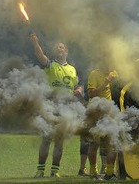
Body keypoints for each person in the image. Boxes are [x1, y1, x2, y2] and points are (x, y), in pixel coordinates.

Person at [29, 32, 84, 178]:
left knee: (59, 140)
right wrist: (35, 43)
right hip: (51, 106)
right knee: (47, 138)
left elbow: (77, 85)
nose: (59, 50)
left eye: (62, 48)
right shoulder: (51, 65)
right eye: (57, 48)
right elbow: (41, 57)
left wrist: (79, 89)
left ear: (66, 51)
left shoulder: (72, 69)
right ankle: (40, 170)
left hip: (66, 108)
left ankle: (55, 170)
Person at [85, 66, 119, 180]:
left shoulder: (114, 72)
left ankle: (109, 173)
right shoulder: (94, 73)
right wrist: (106, 82)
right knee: (94, 143)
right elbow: (91, 94)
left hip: (109, 112)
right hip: (96, 111)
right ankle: (93, 174)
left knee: (112, 143)